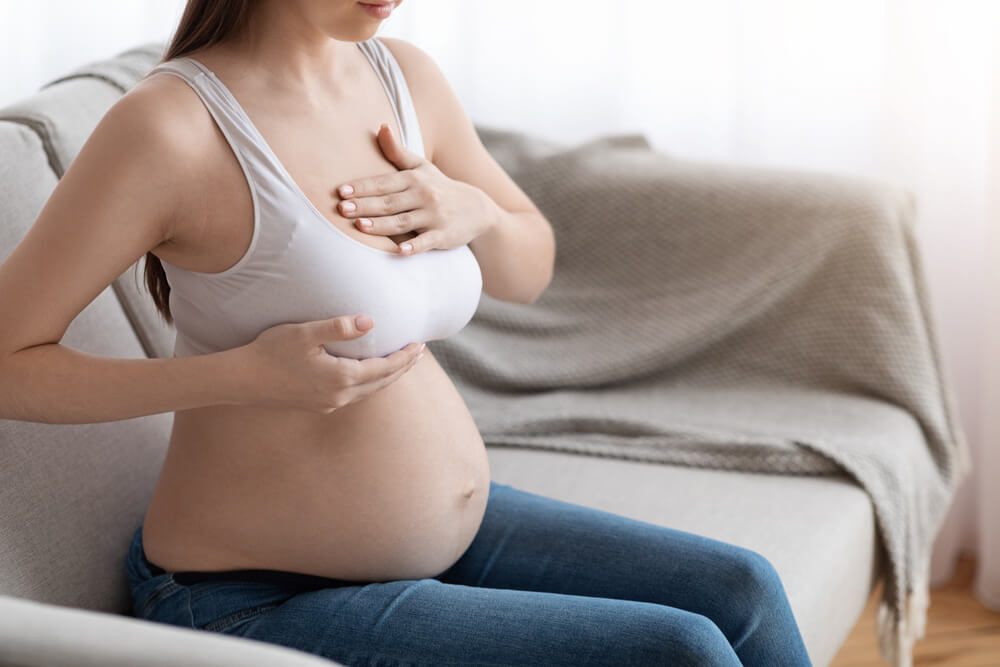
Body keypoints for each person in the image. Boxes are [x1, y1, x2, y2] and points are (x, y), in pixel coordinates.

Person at [0, 0, 813, 664]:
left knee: (743, 591)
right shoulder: (172, 128)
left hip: (450, 533)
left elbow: (527, 270)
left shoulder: (403, 78)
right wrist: (241, 375)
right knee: (682, 651)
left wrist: (476, 212)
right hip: (252, 597)